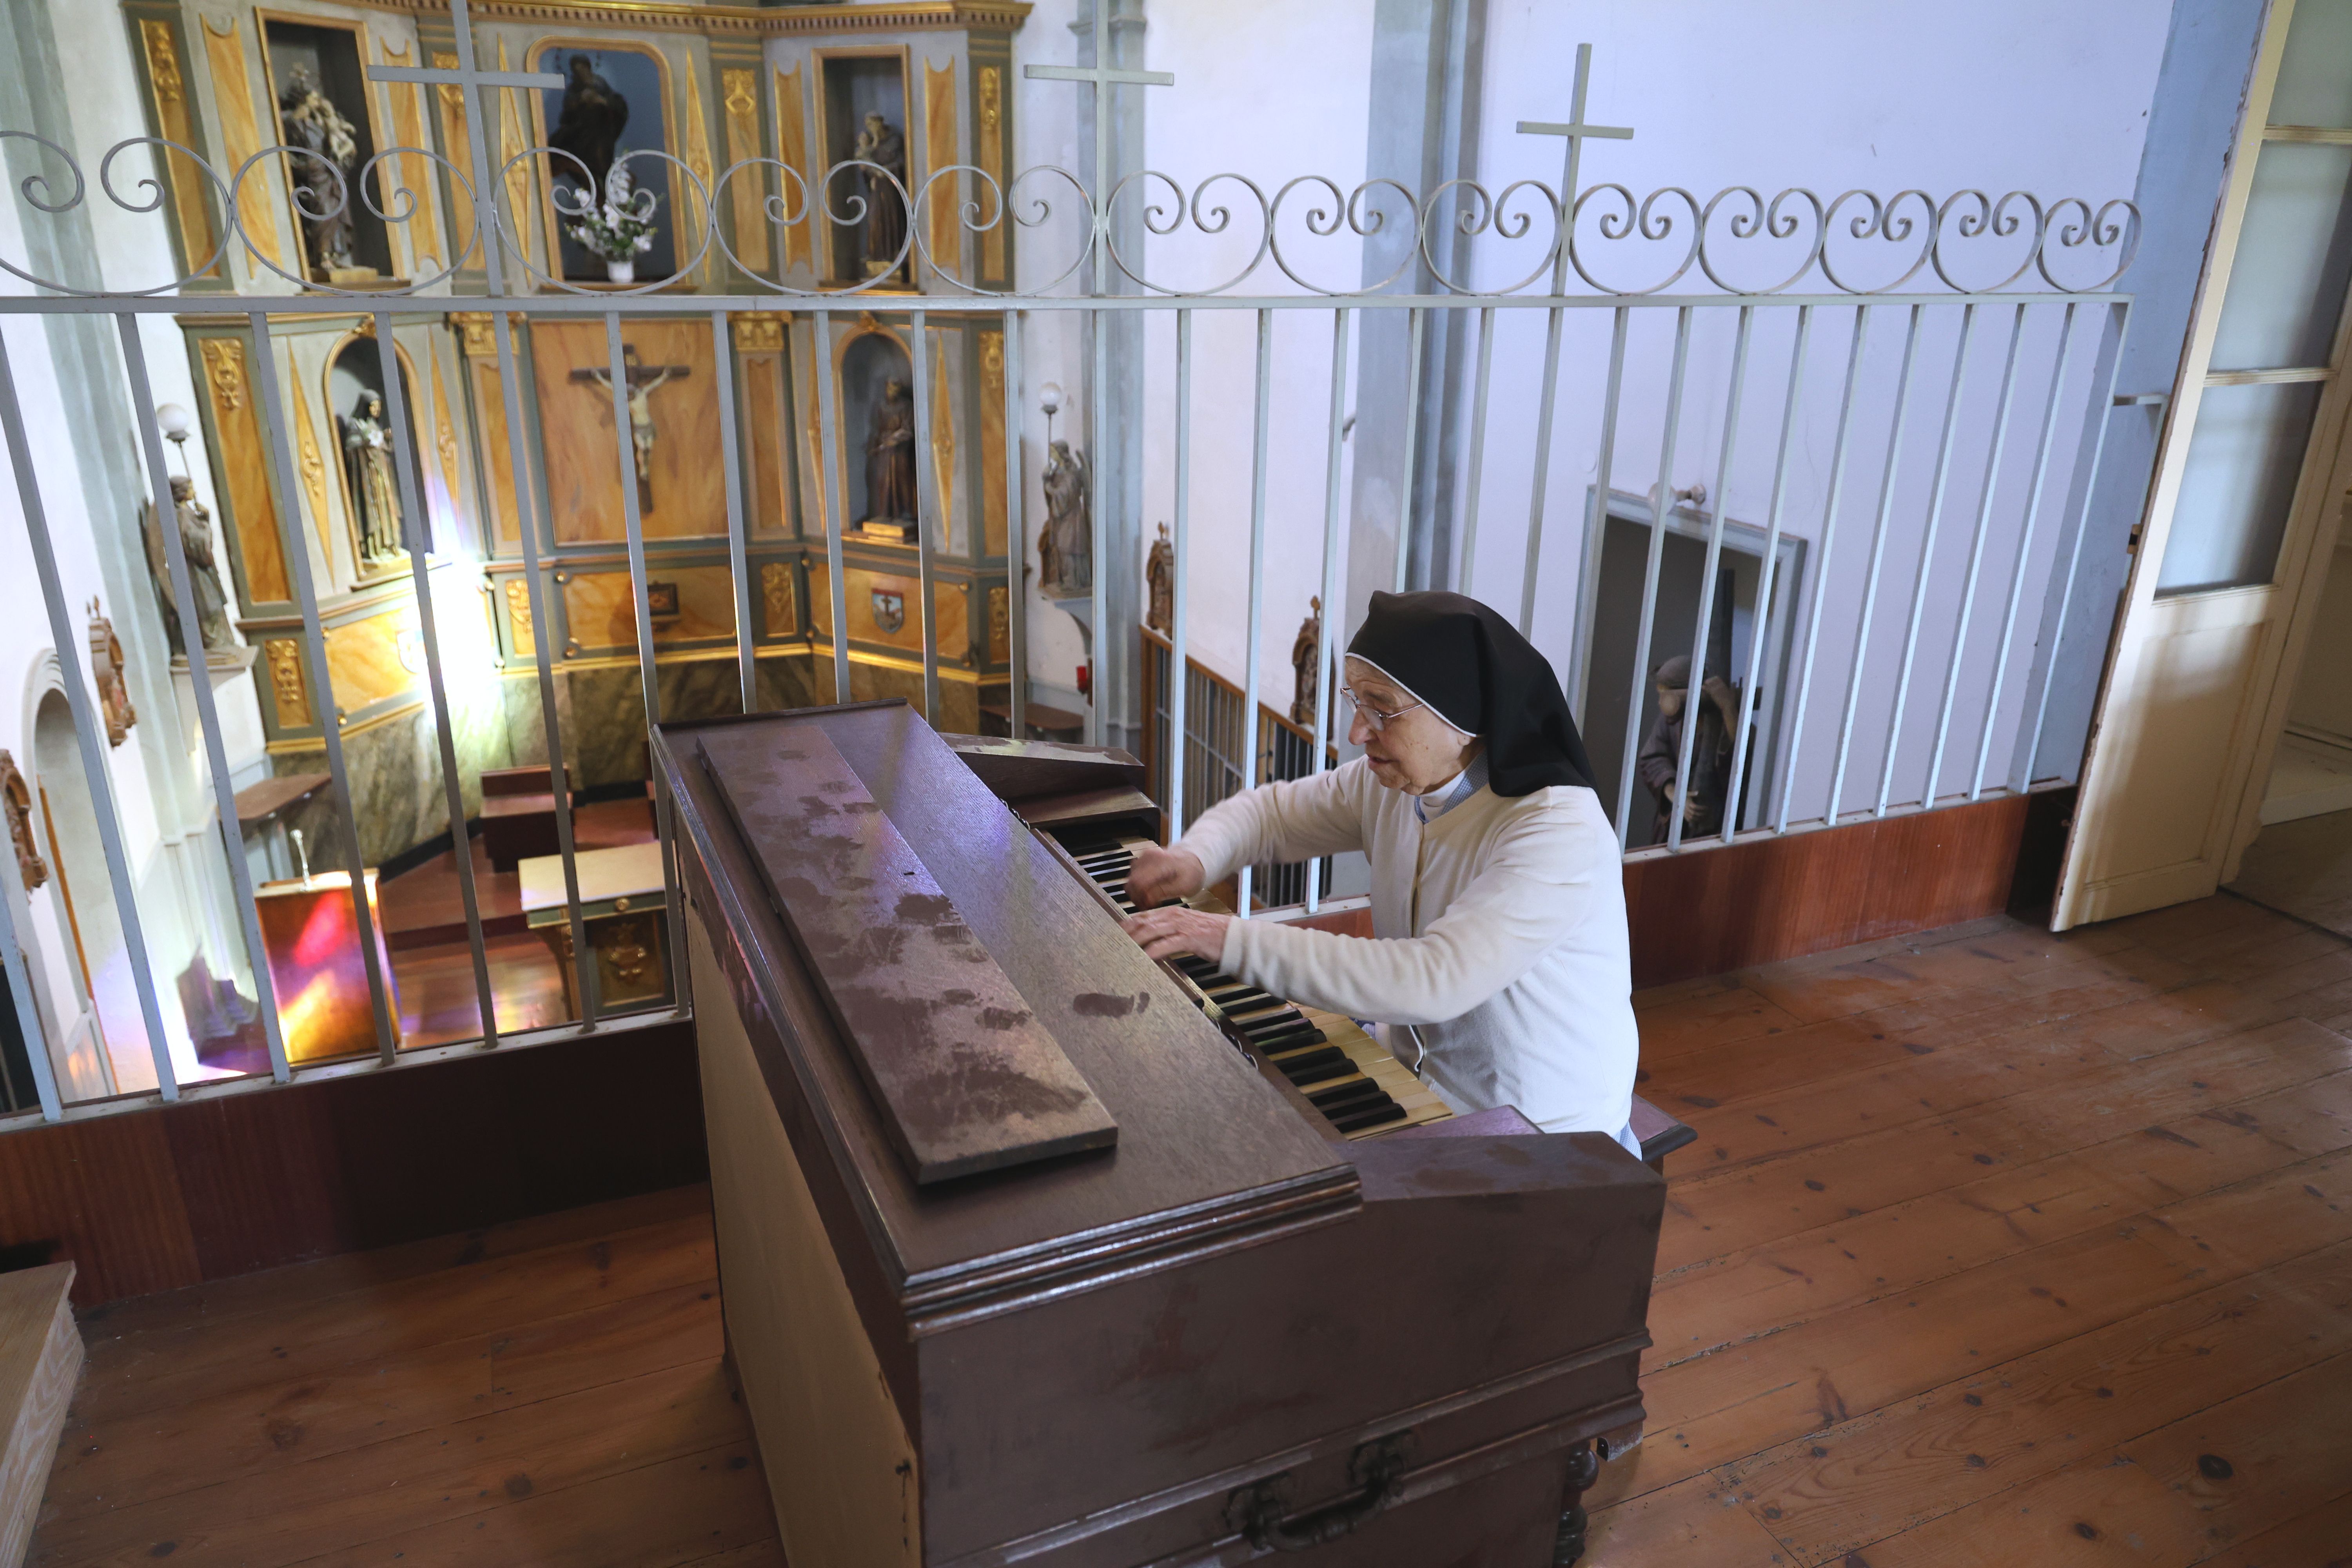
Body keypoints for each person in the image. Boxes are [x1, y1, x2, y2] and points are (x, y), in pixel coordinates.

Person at [1121, 590, 1642, 1152]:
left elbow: (1434, 979)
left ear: (1462, 719)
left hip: (1548, 1139)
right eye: (1355, 701)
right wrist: (1195, 858)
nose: (1356, 733)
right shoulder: (1392, 784)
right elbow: (1271, 815)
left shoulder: (1555, 829)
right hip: (1413, 1088)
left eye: (1381, 709)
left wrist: (1224, 937)